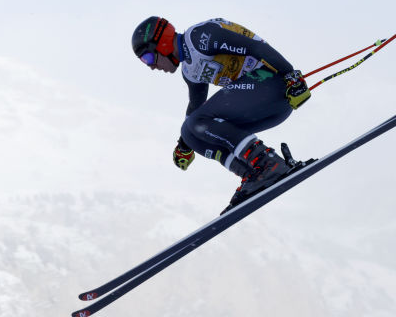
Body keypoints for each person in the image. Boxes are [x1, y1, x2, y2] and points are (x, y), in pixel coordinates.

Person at [131, 16, 310, 212]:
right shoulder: (189, 70)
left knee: (197, 122)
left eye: (147, 58)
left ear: (163, 44)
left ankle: (269, 164)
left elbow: (255, 48)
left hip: (274, 85)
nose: (151, 66)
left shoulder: (199, 38)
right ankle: (252, 174)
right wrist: (184, 144)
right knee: (190, 132)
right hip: (262, 103)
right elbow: (195, 106)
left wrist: (290, 75)